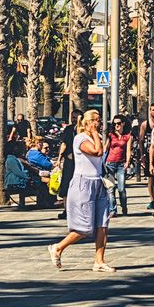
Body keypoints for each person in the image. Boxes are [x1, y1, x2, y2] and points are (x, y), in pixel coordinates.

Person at [48, 110, 115, 272]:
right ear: (87, 123)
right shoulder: (80, 139)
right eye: (96, 121)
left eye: (99, 120)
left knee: (103, 224)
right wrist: (94, 135)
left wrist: (97, 136)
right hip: (83, 185)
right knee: (84, 228)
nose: (99, 123)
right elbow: (96, 152)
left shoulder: (95, 138)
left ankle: (99, 261)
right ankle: (58, 247)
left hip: (98, 183)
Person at [103, 115, 132, 216]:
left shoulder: (127, 136)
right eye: (114, 124)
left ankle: (124, 206)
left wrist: (127, 162)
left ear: (123, 123)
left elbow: (128, 150)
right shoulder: (111, 135)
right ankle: (112, 210)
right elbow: (105, 149)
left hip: (121, 164)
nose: (116, 126)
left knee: (121, 188)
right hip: (110, 164)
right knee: (110, 188)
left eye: (118, 123)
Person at [55, 114, 78, 219]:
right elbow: (64, 144)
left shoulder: (84, 130)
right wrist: (59, 159)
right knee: (66, 185)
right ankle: (66, 210)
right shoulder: (68, 129)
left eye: (76, 117)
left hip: (80, 162)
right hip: (69, 161)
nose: (74, 119)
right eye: (72, 117)